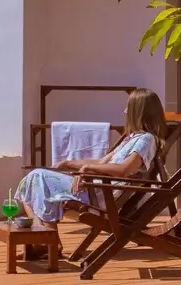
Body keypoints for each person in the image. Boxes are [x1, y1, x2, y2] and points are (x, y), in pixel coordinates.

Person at [11, 89, 166, 226]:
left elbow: (124, 169)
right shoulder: (132, 139)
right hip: (93, 187)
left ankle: (46, 240)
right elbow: (101, 161)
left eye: (129, 107)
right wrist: (68, 163)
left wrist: (88, 169)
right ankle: (45, 239)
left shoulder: (146, 140)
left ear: (137, 112)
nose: (125, 111)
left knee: (37, 177)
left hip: (102, 193)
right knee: (29, 182)